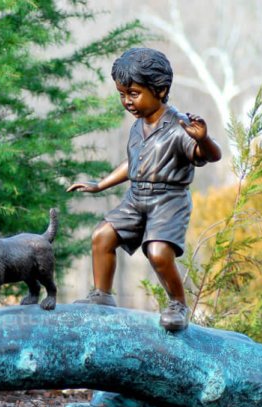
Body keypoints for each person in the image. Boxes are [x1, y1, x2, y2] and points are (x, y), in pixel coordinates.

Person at [67, 47, 221, 332]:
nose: (127, 101)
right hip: (136, 197)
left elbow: (210, 156)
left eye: (134, 93)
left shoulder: (180, 127)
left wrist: (205, 139)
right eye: (122, 94)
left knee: (159, 252)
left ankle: (178, 304)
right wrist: (100, 185)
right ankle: (102, 295)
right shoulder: (138, 127)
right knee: (102, 236)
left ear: (160, 90)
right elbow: (133, 163)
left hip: (168, 199)